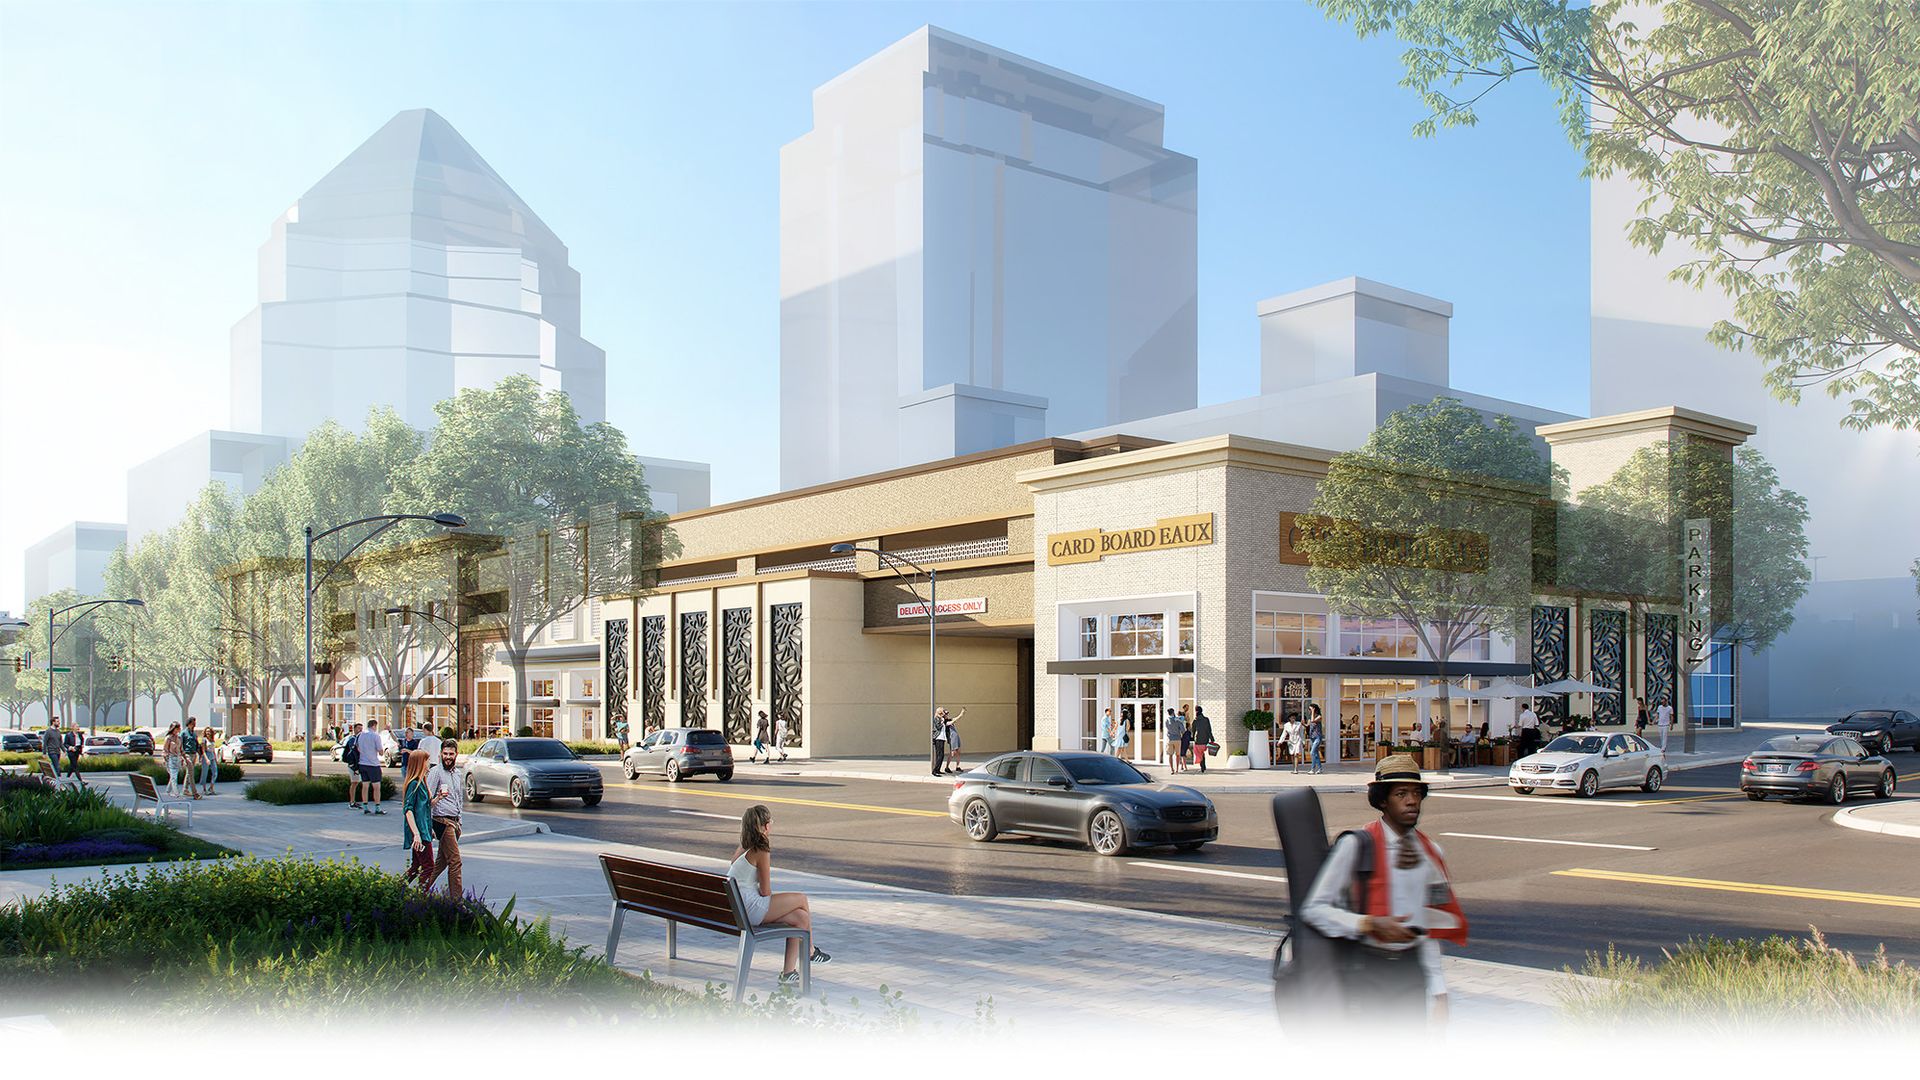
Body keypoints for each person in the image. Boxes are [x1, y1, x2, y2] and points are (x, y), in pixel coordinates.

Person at [1299, 754, 1467, 1024]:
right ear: (1382, 801)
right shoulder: (1357, 846)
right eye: (1401, 793)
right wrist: (1369, 924)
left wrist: (1439, 994)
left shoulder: (1430, 853)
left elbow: (1429, 928)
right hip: (1367, 971)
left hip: (1411, 975)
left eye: (1416, 793)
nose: (1412, 801)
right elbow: (1314, 910)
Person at [729, 804, 830, 984]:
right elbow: (765, 891)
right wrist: (778, 904)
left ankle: (788, 973)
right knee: (801, 899)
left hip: (737, 907)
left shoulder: (742, 847)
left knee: (801, 918)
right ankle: (810, 950)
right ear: (766, 826)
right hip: (749, 910)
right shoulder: (761, 849)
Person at [425, 738, 465, 896]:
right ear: (440, 754)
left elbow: (458, 798)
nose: (448, 757)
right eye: (445, 753)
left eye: (451, 754)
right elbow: (427, 801)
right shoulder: (436, 772)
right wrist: (429, 826)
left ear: (456, 754)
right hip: (441, 821)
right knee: (455, 861)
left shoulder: (457, 774)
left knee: (440, 863)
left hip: (455, 822)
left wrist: (460, 820)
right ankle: (457, 902)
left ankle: (420, 889)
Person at [400, 750, 435, 888]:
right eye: (426, 761)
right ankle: (421, 898)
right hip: (419, 833)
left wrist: (437, 798)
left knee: (416, 866)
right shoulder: (413, 784)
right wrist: (416, 834)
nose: (429, 763)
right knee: (428, 867)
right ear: (420, 763)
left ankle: (395, 892)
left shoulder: (422, 782)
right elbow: (408, 810)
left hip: (424, 830)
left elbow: (424, 808)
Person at [356, 719, 387, 815]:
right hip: (373, 764)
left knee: (365, 786)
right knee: (376, 787)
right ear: (374, 725)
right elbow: (381, 751)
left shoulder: (360, 735)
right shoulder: (375, 735)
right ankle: (377, 807)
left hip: (362, 763)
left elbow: (357, 747)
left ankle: (365, 806)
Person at [342, 721, 365, 809]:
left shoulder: (359, 739)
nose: (360, 730)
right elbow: (353, 754)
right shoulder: (352, 740)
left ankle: (353, 801)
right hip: (353, 765)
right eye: (359, 728)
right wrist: (354, 767)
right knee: (354, 782)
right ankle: (351, 802)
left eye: (361, 729)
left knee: (356, 783)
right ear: (354, 729)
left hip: (357, 765)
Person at [180, 718, 202, 798]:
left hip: (193, 754)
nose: (194, 725)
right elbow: (180, 745)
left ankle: (185, 789)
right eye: (193, 723)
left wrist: (199, 754)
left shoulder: (194, 733)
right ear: (189, 723)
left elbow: (197, 744)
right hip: (187, 754)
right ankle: (194, 793)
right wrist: (182, 756)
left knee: (189, 773)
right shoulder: (184, 733)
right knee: (191, 773)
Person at [162, 722, 184, 797]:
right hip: (170, 758)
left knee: (173, 775)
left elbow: (181, 749)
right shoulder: (168, 738)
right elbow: (165, 749)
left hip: (177, 758)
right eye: (176, 728)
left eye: (178, 728)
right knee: (174, 776)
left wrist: (183, 758)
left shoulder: (179, 738)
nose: (178, 730)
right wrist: (165, 759)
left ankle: (168, 790)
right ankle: (176, 793)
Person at [1191, 705, 1215, 773]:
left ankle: (1202, 766)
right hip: (1205, 740)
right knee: (1202, 753)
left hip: (1198, 740)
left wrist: (1192, 738)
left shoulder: (1195, 721)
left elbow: (1193, 730)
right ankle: (1203, 766)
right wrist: (1212, 738)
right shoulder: (1206, 719)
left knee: (1199, 753)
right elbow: (1209, 730)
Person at [1164, 706, 1187, 773]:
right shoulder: (1177, 720)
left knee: (1170, 755)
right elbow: (1183, 730)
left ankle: (1172, 769)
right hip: (1177, 739)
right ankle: (1177, 769)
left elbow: (1167, 728)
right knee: (1177, 755)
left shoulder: (1166, 721)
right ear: (1173, 712)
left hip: (1170, 739)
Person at [1305, 704, 1325, 775]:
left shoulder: (1319, 717)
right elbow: (1308, 726)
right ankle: (1320, 768)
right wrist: (1303, 724)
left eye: (1310, 709)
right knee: (1316, 753)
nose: (1309, 711)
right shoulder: (1310, 717)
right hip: (1312, 737)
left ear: (1314, 709)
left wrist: (1313, 711)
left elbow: (1313, 721)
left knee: (1312, 752)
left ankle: (1313, 769)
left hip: (1317, 737)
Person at [199, 728, 220, 795]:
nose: (208, 733)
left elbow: (213, 750)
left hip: (212, 755)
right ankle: (204, 789)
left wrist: (216, 759)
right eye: (207, 731)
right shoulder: (204, 740)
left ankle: (211, 787)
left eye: (209, 731)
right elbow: (203, 750)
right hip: (206, 755)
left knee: (215, 772)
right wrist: (206, 759)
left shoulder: (212, 740)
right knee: (205, 773)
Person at [930, 707, 949, 776]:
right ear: (940, 711)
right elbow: (938, 727)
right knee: (940, 755)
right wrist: (943, 720)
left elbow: (948, 722)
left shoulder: (942, 719)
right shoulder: (936, 718)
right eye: (943, 711)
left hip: (942, 738)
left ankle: (938, 770)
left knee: (941, 755)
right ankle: (934, 771)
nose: (944, 712)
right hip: (938, 738)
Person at [1177, 706, 1195, 772]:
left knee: (1182, 753)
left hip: (1183, 738)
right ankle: (1183, 766)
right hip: (1186, 738)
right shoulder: (1186, 723)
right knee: (1183, 753)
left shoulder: (1181, 723)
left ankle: (1184, 766)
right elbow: (1190, 730)